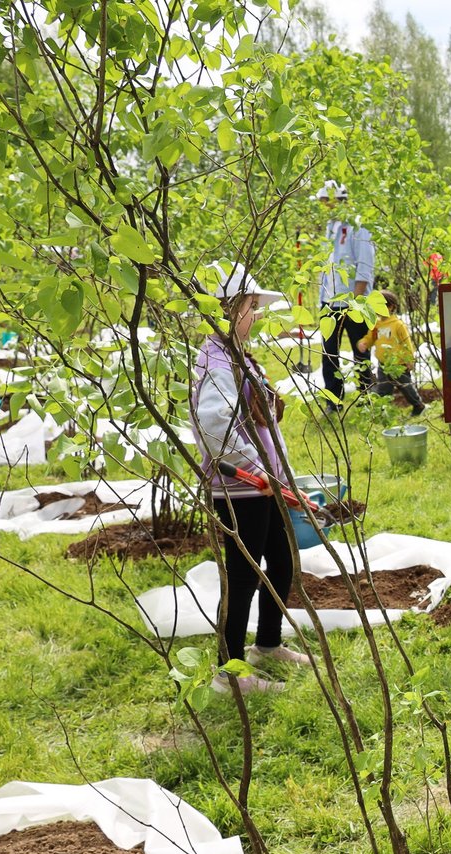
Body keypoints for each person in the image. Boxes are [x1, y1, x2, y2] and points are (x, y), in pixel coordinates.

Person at [191, 264, 311, 695]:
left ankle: (267, 644)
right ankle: (229, 674)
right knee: (243, 576)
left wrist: (279, 476)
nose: (256, 315)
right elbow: (214, 424)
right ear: (227, 310)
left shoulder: (237, 354)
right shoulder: (216, 361)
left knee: (282, 560)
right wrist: (257, 471)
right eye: (251, 306)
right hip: (240, 487)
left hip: (263, 484)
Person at [317, 180, 375, 406]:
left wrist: (355, 302)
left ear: (338, 200)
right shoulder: (330, 226)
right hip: (329, 301)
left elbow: (364, 266)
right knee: (328, 353)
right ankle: (334, 399)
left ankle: (366, 397)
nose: (324, 206)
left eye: (326, 201)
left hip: (353, 301)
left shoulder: (358, 226)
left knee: (360, 350)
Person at [357, 289, 426, 414]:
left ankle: (418, 405)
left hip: (399, 365)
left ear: (391, 307)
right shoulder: (376, 325)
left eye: (380, 306)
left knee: (406, 387)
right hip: (383, 365)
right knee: (383, 389)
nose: (377, 309)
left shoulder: (398, 325)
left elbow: (407, 343)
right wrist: (364, 343)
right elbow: (370, 338)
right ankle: (383, 411)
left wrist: (409, 360)